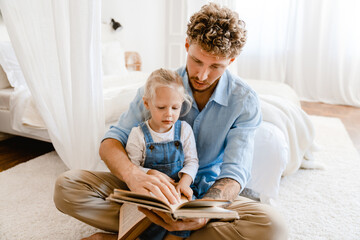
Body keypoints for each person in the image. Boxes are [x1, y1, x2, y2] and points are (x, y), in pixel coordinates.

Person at [54, 3, 288, 240]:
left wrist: (203, 213)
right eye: (197, 61)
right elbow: (111, 141)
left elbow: (235, 172)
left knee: (273, 227)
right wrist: (133, 175)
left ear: (231, 60)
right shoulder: (159, 87)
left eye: (216, 66)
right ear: (187, 45)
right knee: (67, 187)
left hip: (204, 192)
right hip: (148, 191)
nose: (202, 75)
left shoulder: (244, 101)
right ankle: (171, 231)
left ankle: (149, 231)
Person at [126, 68, 199, 239]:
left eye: (175, 107)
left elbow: (192, 161)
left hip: (178, 191)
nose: (169, 114)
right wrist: (149, 173)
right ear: (147, 103)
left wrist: (185, 183)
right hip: (151, 193)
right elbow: (132, 167)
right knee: (150, 224)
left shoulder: (184, 130)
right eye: (161, 107)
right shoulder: (138, 135)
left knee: (184, 221)